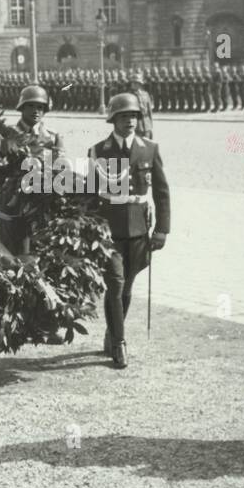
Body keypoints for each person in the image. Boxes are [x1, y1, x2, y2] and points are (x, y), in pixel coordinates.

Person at [89, 93, 170, 370]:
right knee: (115, 284)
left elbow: (161, 192)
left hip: (138, 229)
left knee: (127, 286)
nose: (131, 121)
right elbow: (89, 195)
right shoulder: (98, 150)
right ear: (113, 119)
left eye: (134, 116)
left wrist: (162, 230)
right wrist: (89, 232)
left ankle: (112, 332)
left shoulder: (150, 148)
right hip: (108, 229)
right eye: (124, 116)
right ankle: (120, 344)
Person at [0, 85, 64, 256]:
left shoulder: (53, 137)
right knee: (11, 257)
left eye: (40, 107)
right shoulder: (7, 133)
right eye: (31, 106)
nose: (36, 111)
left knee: (39, 257)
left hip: (42, 206)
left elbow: (60, 169)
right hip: (12, 206)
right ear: (22, 107)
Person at [128, 72, 155, 138]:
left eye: (135, 83)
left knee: (147, 144)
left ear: (139, 84)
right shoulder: (129, 96)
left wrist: (150, 124)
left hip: (146, 124)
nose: (133, 84)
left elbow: (149, 111)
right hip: (136, 125)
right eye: (132, 83)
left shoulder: (145, 94)